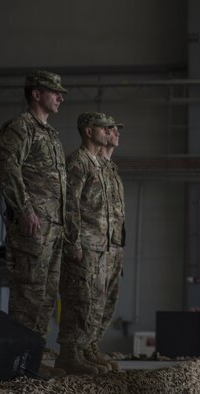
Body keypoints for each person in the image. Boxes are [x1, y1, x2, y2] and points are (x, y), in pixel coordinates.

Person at [0, 70, 68, 378]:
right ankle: (17, 366)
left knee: (45, 299)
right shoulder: (20, 128)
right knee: (28, 298)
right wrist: (24, 209)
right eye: (55, 92)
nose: (60, 97)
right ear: (36, 94)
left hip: (53, 230)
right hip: (32, 228)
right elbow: (7, 167)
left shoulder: (51, 135)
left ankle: (32, 362)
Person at [55, 112, 113, 375]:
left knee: (92, 301)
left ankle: (80, 351)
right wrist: (73, 241)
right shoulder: (78, 162)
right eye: (103, 128)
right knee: (77, 298)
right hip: (84, 243)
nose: (108, 132)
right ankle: (68, 354)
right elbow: (70, 205)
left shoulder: (97, 164)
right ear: (89, 131)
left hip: (98, 245)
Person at [91, 115, 126, 371]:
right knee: (92, 299)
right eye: (111, 129)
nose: (116, 133)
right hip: (96, 244)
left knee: (108, 301)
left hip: (114, 245)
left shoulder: (112, 169)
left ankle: (92, 347)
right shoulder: (93, 166)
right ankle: (83, 349)